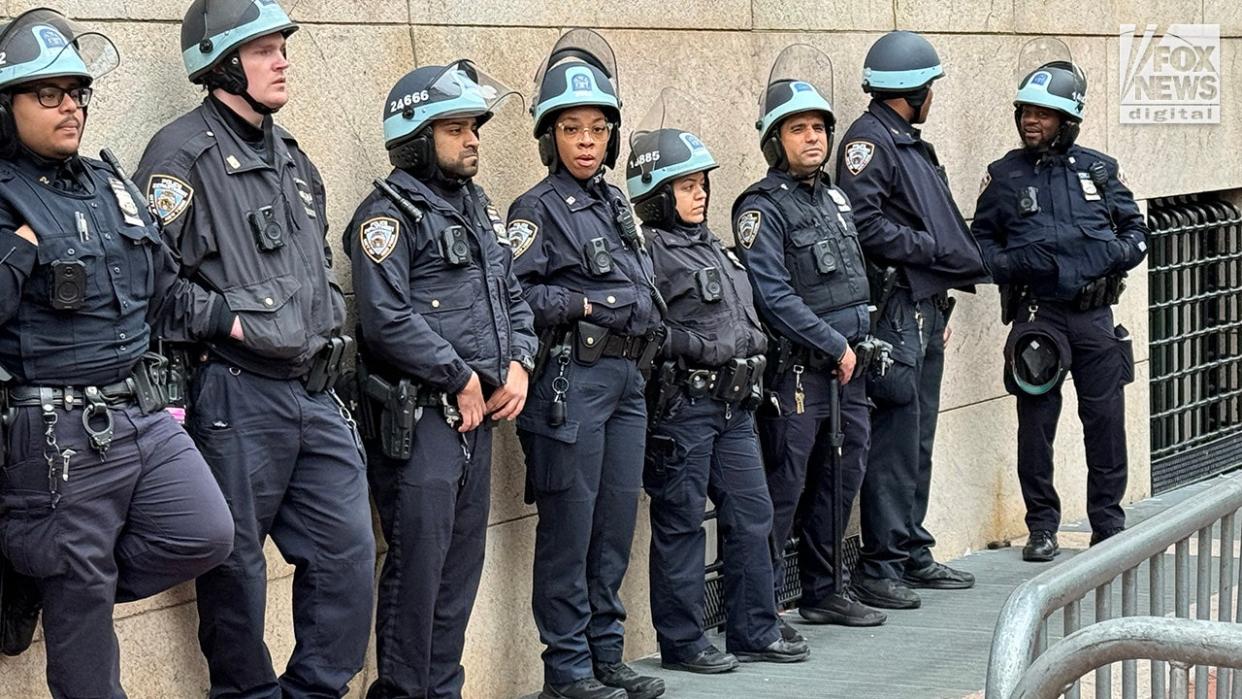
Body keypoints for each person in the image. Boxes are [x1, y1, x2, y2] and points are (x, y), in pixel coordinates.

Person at [135, 1, 375, 695]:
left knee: (348, 555)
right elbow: (150, 286)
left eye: (282, 46)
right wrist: (231, 320)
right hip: (234, 396)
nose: (282, 60)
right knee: (235, 573)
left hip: (313, 391)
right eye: (264, 48)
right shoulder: (180, 155)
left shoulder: (294, 157)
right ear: (222, 63)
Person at [0, 10, 233, 696]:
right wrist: (17, 251)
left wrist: (237, 320)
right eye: (48, 92)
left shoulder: (109, 186)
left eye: (76, 90)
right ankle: (66, 575)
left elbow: (163, 290)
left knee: (206, 532)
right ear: (5, 107)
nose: (70, 104)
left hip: (139, 415)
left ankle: (59, 571)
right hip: (55, 438)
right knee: (87, 639)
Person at [345, 60, 537, 699]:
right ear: (418, 138)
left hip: (475, 418)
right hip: (422, 416)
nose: (474, 139)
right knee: (418, 572)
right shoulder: (387, 215)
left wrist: (521, 361)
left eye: (473, 127)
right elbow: (384, 319)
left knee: (460, 572)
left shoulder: (476, 209)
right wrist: (457, 375)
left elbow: (511, 297)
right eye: (456, 128)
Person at [507, 28, 666, 699]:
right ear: (551, 137)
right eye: (571, 128)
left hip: (627, 380)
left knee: (613, 527)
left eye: (597, 129)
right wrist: (583, 301)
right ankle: (566, 669)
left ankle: (606, 655)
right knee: (569, 532)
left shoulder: (614, 202)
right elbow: (515, 295)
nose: (585, 141)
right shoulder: (535, 209)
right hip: (573, 383)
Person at [627, 92, 809, 673]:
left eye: (702, 182)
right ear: (656, 196)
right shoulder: (648, 252)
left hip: (735, 409)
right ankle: (682, 643)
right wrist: (702, 349)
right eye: (685, 186)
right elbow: (647, 331)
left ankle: (754, 628)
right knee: (680, 526)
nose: (700, 193)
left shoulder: (715, 248)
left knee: (753, 515)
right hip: (684, 408)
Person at [733, 45, 887, 634]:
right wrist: (834, 344)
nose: (813, 138)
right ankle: (764, 606)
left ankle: (826, 591)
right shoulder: (761, 208)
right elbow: (772, 297)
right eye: (798, 129)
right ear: (776, 142)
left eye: (819, 127)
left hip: (848, 372)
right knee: (784, 487)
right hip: (800, 372)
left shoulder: (837, 199)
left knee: (838, 480)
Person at [971, 50, 1146, 562]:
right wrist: (1018, 264)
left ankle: (1108, 526)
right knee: (1037, 426)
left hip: (1094, 317)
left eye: (1043, 114)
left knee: (1106, 423)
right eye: (1025, 111)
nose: (1031, 121)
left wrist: (1106, 255)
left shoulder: (1099, 169)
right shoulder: (1003, 176)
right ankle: (1042, 527)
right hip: (1038, 317)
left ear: (1067, 121)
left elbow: (1137, 232)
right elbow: (979, 245)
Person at [836, 30, 988, 609]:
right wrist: (928, 249)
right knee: (897, 441)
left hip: (923, 306)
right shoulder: (870, 143)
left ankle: (911, 550)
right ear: (915, 90)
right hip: (897, 308)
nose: (935, 97)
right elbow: (867, 225)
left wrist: (939, 289)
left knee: (918, 438)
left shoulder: (904, 140)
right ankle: (881, 566)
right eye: (931, 87)